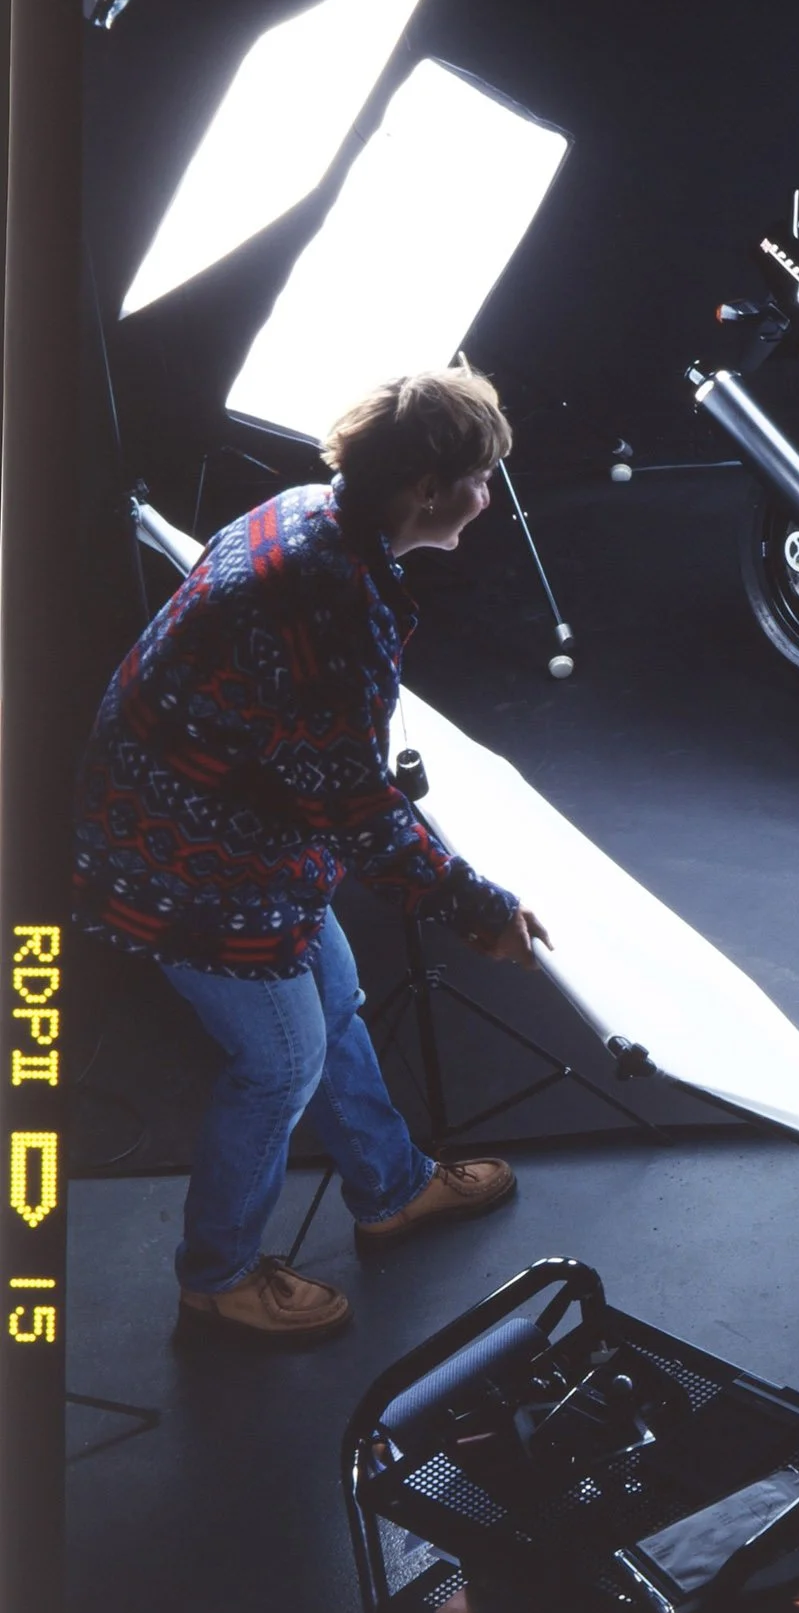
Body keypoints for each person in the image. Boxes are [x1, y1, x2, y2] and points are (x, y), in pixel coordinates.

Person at [72, 370, 551, 1344]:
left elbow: (321, 779)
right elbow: (355, 807)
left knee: (330, 1003)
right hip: (188, 861)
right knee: (280, 1062)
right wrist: (478, 907)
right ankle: (215, 1278)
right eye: (482, 477)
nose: (490, 498)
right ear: (426, 489)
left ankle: (390, 1191)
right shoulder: (330, 598)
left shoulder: (311, 515)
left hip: (221, 827)